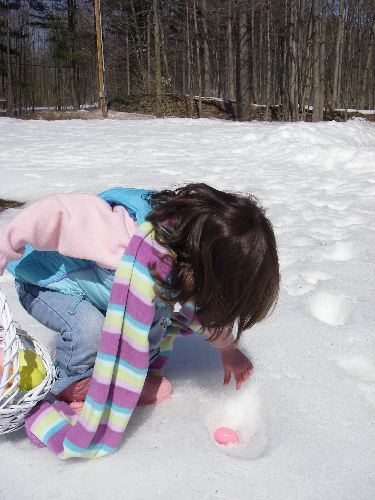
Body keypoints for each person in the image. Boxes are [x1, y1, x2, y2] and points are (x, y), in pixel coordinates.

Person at [0, 183, 279, 413]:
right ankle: (72, 383)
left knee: (156, 313)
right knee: (88, 328)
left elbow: (205, 309)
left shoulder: (189, 261)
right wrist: (5, 247)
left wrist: (227, 349)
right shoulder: (119, 234)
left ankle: (135, 375)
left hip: (100, 291)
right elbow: (55, 212)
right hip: (48, 284)